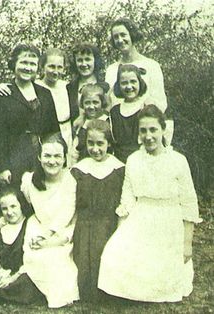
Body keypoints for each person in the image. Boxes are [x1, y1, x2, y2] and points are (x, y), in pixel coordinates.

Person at [98, 105, 200, 302]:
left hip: (169, 222)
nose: (148, 136)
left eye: (153, 129)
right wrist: (121, 234)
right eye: (143, 130)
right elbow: (127, 199)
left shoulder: (178, 161)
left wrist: (187, 243)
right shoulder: (134, 159)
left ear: (163, 130)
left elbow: (189, 203)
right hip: (141, 217)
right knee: (113, 255)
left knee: (161, 271)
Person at [20, 132, 79, 308]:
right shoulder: (29, 180)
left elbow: (66, 215)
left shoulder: (71, 180)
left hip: (64, 230)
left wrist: (48, 239)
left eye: (57, 156)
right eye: (47, 156)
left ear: (64, 158)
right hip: (38, 226)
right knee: (35, 256)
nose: (52, 161)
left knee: (56, 261)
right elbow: (23, 206)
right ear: (39, 157)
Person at [71, 120, 125, 302]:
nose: (95, 149)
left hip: (110, 225)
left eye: (100, 143)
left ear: (109, 143)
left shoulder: (119, 169)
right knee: (85, 276)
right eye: (90, 143)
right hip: (85, 227)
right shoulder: (79, 170)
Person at [0, 44, 60, 185]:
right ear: (14, 64)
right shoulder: (4, 94)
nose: (28, 68)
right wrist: (3, 167)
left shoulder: (45, 94)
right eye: (23, 62)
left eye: (32, 64)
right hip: (15, 159)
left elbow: (53, 131)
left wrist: (57, 158)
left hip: (43, 158)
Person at [0, 186, 45, 304]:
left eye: (13, 206)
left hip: (21, 274)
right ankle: (0, 293)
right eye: (4, 208)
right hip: (3, 273)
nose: (9, 212)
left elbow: (33, 259)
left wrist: (11, 278)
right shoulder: (0, 229)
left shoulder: (30, 225)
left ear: (21, 205)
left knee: (26, 285)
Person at [105, 18, 167, 112]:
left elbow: (160, 102)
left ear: (132, 35)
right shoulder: (111, 70)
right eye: (116, 37)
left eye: (123, 35)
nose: (120, 40)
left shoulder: (152, 66)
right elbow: (109, 102)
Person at [109, 64, 147, 163]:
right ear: (118, 85)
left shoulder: (145, 107)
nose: (129, 86)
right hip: (119, 162)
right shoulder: (114, 111)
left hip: (142, 160)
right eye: (124, 83)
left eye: (133, 82)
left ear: (140, 82)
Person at [67, 42, 106, 124]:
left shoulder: (105, 86)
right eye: (80, 60)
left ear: (95, 61)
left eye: (88, 59)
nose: (84, 64)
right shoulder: (69, 88)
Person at [71, 83, 110, 163]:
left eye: (95, 102)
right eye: (87, 103)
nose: (91, 107)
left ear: (102, 102)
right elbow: (75, 151)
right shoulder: (80, 123)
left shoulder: (107, 120)